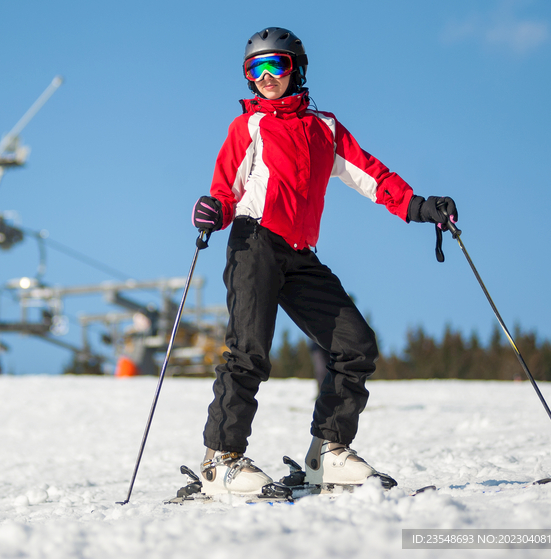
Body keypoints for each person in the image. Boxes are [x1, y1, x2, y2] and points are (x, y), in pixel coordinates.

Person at [191, 27, 457, 495]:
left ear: (298, 69)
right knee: (249, 351)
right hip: (254, 243)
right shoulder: (249, 126)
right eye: (256, 68)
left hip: (298, 253)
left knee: (355, 344)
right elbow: (225, 189)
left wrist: (419, 206)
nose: (266, 76)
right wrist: (213, 210)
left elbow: (371, 175)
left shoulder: (325, 128)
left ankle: (328, 453)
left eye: (278, 65)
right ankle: (221, 459)